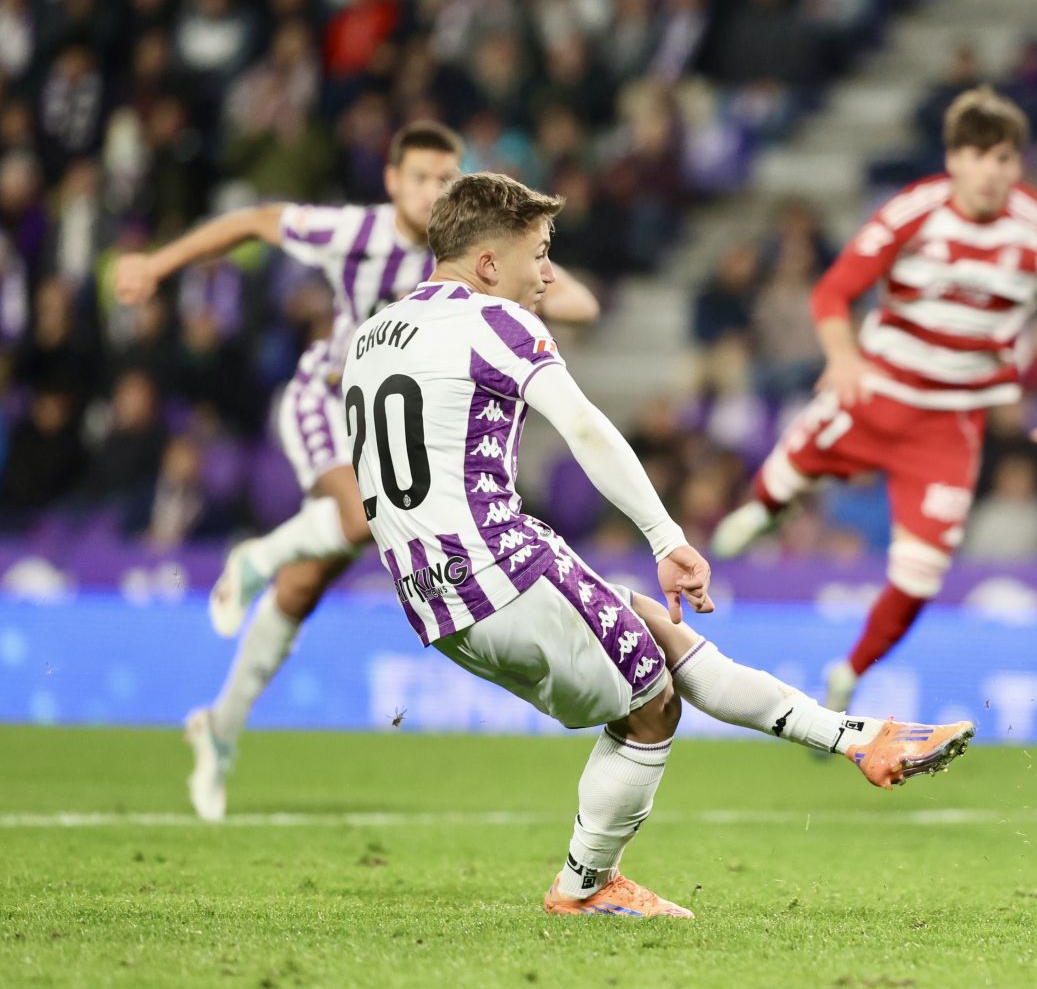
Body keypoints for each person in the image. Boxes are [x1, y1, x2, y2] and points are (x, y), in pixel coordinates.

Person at [342, 172, 973, 918]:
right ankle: (585, 885)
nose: (547, 274)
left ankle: (862, 739)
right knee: (652, 707)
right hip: (502, 565)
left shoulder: (371, 336)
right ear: (487, 264)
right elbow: (584, 428)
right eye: (539, 255)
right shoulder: (495, 322)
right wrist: (666, 536)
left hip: (431, 598)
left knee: (667, 640)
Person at [110, 122, 601, 821]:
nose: (434, 190)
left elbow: (581, 303)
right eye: (422, 178)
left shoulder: (475, 255)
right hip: (328, 398)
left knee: (308, 583)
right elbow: (256, 219)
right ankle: (257, 555)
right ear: (392, 182)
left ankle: (220, 727)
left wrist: (541, 278)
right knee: (357, 518)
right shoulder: (352, 233)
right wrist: (158, 266)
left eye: (446, 178)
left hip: (400, 427)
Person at [710, 87, 1037, 711]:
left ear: (1019, 166)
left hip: (949, 427)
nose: (990, 170)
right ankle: (768, 508)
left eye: (1004, 158)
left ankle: (850, 672)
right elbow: (833, 292)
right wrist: (843, 359)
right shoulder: (912, 211)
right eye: (978, 154)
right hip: (876, 390)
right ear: (953, 159)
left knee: (920, 575)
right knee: (787, 471)